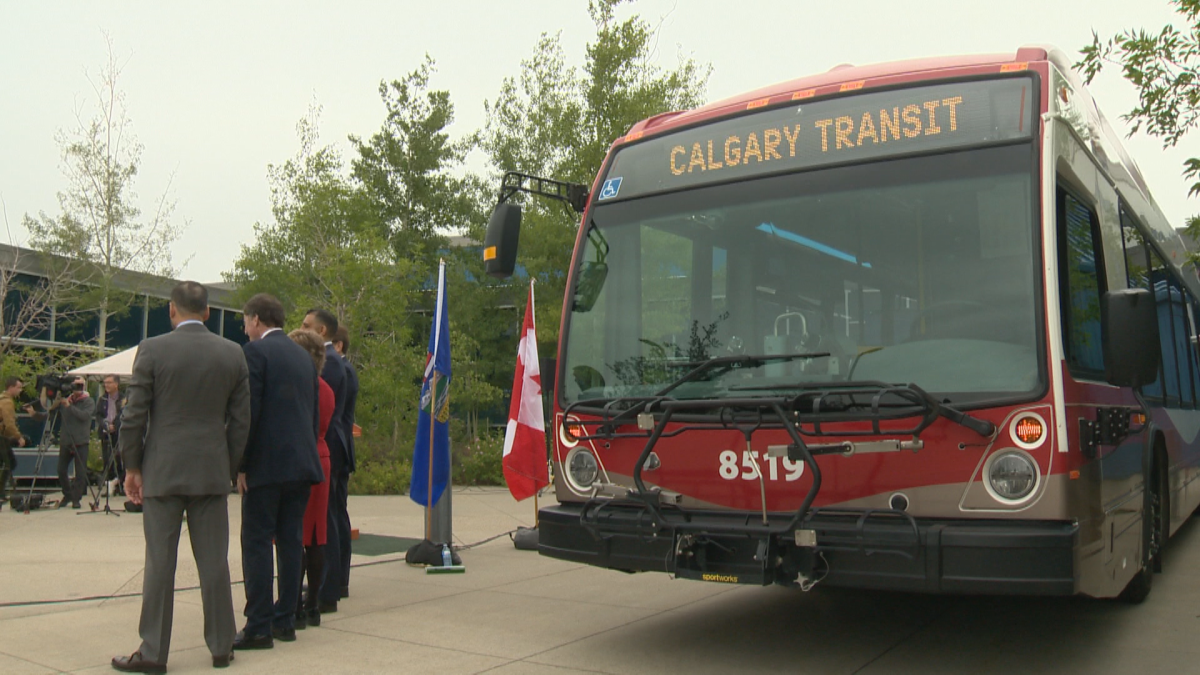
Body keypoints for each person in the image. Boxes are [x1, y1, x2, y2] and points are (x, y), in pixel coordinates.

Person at [112, 281, 251, 674]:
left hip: (163, 469)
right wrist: (227, 466)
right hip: (210, 470)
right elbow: (241, 421)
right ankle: (222, 646)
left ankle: (154, 652)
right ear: (207, 312)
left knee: (160, 563)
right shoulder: (232, 353)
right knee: (214, 563)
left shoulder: (153, 349)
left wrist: (133, 466)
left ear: (172, 310)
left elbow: (134, 414)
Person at [235, 294, 324, 650]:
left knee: (256, 541)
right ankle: (285, 618)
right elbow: (312, 413)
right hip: (301, 463)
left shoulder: (254, 353)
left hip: (266, 464)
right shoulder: (304, 358)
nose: (245, 328)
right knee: (290, 541)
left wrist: (241, 464)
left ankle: (258, 624)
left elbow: (248, 413)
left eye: (245, 321)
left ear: (256, 320)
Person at [300, 308, 349, 613]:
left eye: (306, 325)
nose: (300, 329)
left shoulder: (327, 364)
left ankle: (327, 587)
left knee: (324, 522)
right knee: (330, 518)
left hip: (326, 447)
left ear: (320, 331)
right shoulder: (337, 363)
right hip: (332, 446)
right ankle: (332, 583)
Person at [289, 328, 335, 628]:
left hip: (299, 457)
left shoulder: (297, 387)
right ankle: (313, 604)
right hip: (322, 456)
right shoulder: (326, 389)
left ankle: (292, 603)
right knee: (317, 535)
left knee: (294, 534)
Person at [331, 325, 358, 598]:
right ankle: (337, 577)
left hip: (338, 448)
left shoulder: (343, 371)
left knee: (336, 514)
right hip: (341, 446)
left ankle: (338, 578)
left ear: (338, 345)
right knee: (337, 513)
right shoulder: (344, 369)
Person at [56, 376, 95, 509]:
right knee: (61, 470)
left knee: (80, 472)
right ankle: (68, 494)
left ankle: (76, 498)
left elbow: (84, 416)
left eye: (80, 386)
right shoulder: (66, 400)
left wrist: (70, 407)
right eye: (75, 385)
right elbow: (50, 412)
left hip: (81, 441)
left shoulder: (88, 401)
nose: (77, 389)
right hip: (66, 440)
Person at [95, 374, 125, 496]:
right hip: (106, 433)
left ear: (116, 384)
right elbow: (98, 415)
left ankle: (121, 484)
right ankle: (110, 484)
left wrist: (115, 425)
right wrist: (105, 425)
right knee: (107, 458)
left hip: (119, 432)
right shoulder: (102, 399)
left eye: (109, 382)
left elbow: (124, 414)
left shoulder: (123, 398)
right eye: (105, 382)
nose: (106, 385)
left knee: (120, 458)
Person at [0, 377, 26, 510]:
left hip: (3, 436)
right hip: (2, 437)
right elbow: (9, 423)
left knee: (7, 463)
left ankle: (2, 491)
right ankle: (1, 492)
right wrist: (19, 437)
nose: (20, 390)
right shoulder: (7, 402)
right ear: (11, 387)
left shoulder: (2, 399)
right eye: (18, 387)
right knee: (10, 463)